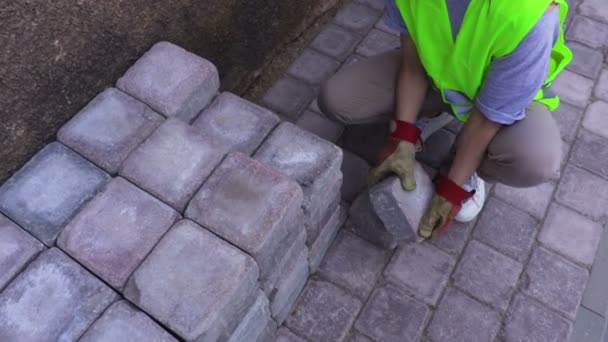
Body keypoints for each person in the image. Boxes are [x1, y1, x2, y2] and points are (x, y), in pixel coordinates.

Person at [318, 0, 572, 239]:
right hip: (439, 77)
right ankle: (433, 112)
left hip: (504, 101)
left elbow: (488, 119)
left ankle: (470, 165)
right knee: (337, 99)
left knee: (535, 162)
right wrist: (403, 134)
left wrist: (451, 187)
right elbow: (412, 63)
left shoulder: (530, 16)